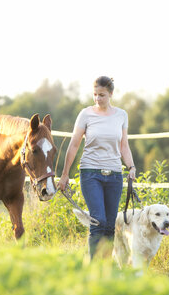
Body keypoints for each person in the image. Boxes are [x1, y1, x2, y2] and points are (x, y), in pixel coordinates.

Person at [58, 75, 136, 259]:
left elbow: (124, 145)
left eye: (101, 95)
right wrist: (65, 174)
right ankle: (93, 267)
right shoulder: (86, 114)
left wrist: (131, 166)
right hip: (90, 173)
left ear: (110, 94)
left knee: (109, 225)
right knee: (98, 220)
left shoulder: (121, 115)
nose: (97, 99)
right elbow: (74, 144)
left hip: (115, 175)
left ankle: (105, 268)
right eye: (95, 95)